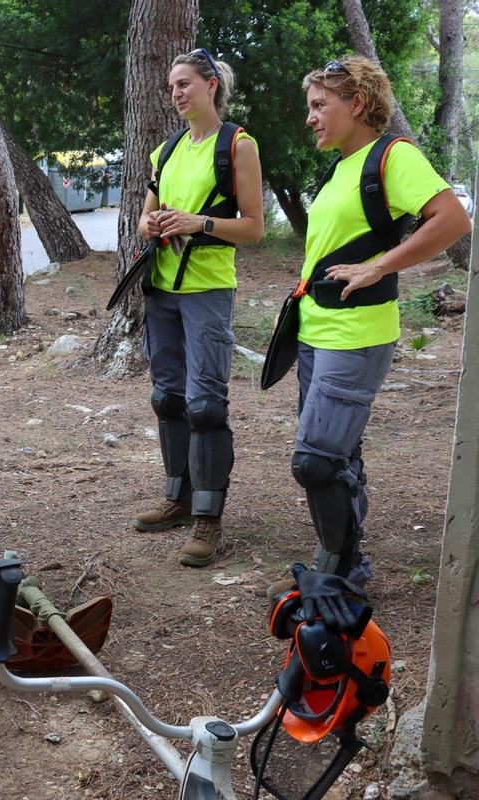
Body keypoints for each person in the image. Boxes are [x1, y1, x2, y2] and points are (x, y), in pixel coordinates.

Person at [272, 56, 469, 623]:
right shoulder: (343, 167)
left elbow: (453, 219)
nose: (310, 117)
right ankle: (346, 570)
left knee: (315, 461)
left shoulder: (392, 155)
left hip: (355, 337)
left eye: (318, 105)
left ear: (356, 103)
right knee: (340, 457)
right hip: (316, 332)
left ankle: (337, 578)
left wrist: (379, 265)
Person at [131, 49, 264, 566]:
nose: (176, 93)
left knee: (205, 403)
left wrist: (198, 224)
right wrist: (151, 225)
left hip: (207, 288)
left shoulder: (238, 145)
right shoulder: (165, 151)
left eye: (184, 83)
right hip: (161, 287)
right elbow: (148, 216)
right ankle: (179, 500)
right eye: (171, 87)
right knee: (167, 397)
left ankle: (209, 520)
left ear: (211, 85)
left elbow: (252, 228)